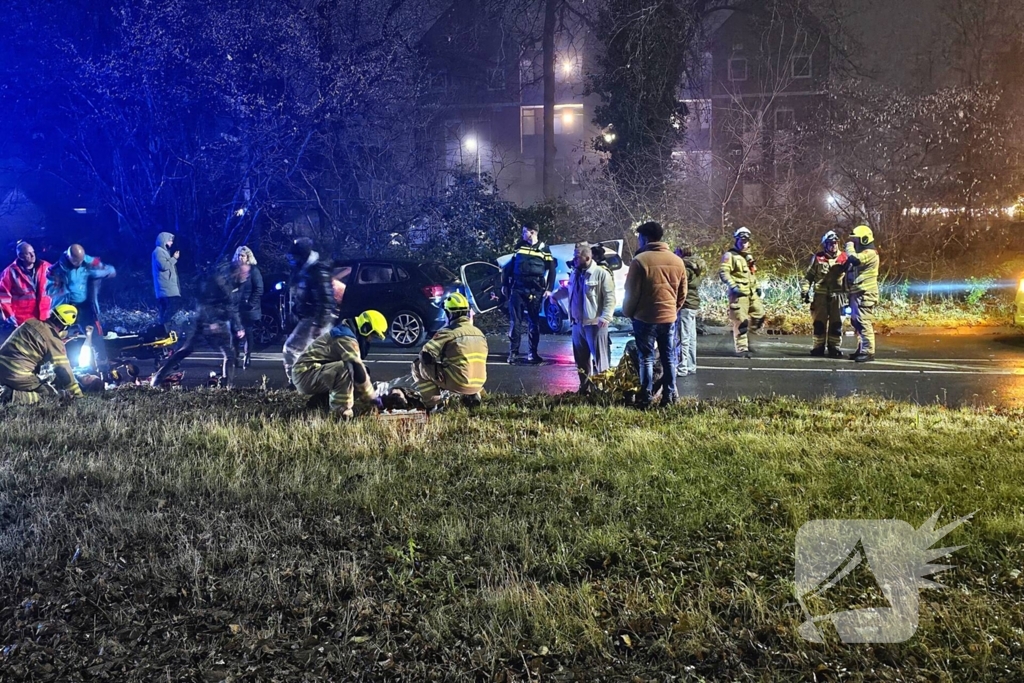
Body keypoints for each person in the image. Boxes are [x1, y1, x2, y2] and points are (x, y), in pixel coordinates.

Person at [150, 260, 249, 388]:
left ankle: (227, 386)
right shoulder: (218, 281)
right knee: (186, 350)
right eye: (244, 272)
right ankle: (158, 377)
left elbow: (233, 307)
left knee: (229, 355)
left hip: (220, 324)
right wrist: (211, 322)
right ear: (236, 271)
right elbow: (204, 303)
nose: (246, 276)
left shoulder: (238, 285)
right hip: (205, 324)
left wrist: (239, 327)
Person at [622, 221, 687, 408]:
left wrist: (629, 312)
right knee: (668, 357)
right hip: (669, 318)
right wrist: (673, 310)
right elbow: (682, 293)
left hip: (645, 318)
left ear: (645, 238)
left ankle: (646, 397)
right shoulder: (677, 261)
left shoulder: (640, 261)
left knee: (646, 358)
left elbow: (631, 293)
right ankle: (669, 397)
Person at [291, 310, 384, 418]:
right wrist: (372, 398)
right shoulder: (345, 337)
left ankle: (320, 403)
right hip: (305, 374)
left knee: (361, 371)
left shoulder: (346, 331)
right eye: (372, 335)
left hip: (312, 372)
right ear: (365, 328)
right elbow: (356, 366)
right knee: (347, 369)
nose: (370, 339)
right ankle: (341, 414)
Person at [410, 292, 488, 409]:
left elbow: (425, 355)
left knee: (417, 365)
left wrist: (435, 365)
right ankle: (473, 396)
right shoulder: (479, 333)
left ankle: (434, 404)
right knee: (469, 365)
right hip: (479, 383)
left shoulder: (449, 332)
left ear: (448, 314)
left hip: (458, 382)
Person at [0, 304, 83, 405]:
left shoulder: (31, 322)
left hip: (2, 367)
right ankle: (11, 396)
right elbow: (63, 369)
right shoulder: (53, 340)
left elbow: (46, 334)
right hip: (17, 375)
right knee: (50, 395)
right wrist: (78, 395)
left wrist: (66, 335)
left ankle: (8, 388)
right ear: (66, 326)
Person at [560, 242, 615, 393]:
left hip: (595, 324)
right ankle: (584, 389)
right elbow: (568, 290)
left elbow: (610, 297)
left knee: (600, 360)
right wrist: (554, 296)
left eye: (577, 258)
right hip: (577, 324)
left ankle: (603, 391)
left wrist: (606, 316)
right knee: (581, 361)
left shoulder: (601, 274)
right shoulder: (575, 273)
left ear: (587, 258)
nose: (574, 260)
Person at [282, 238, 335, 382]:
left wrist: (318, 324)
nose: (292, 260)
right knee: (313, 356)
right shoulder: (307, 270)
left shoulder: (316, 272)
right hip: (313, 318)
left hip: (315, 319)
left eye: (294, 257)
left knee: (291, 350)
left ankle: (296, 383)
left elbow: (326, 299)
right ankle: (312, 384)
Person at [502, 224, 556, 364]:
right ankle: (513, 353)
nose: (522, 234)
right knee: (516, 322)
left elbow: (552, 270)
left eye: (524, 232)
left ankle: (533, 353)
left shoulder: (544, 249)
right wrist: (504, 285)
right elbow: (510, 266)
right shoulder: (520, 246)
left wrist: (549, 288)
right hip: (518, 288)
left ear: (532, 233)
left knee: (534, 322)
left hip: (535, 289)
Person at [47, 244, 116, 335]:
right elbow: (51, 291)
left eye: (80, 260)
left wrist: (97, 273)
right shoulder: (56, 270)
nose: (79, 263)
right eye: (76, 261)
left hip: (85, 305)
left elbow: (109, 270)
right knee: (66, 335)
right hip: (67, 307)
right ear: (69, 256)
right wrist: (62, 291)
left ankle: (96, 347)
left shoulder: (87, 260)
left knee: (93, 333)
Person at [801, 230, 848, 358]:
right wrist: (805, 291)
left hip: (838, 297)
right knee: (819, 324)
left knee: (836, 324)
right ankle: (818, 347)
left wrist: (850, 294)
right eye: (831, 243)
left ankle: (834, 348)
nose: (834, 246)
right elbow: (808, 276)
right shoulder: (818, 258)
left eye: (835, 243)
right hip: (820, 296)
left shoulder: (844, 258)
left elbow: (850, 278)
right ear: (825, 245)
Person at [719, 227, 765, 357]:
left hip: (752, 293)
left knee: (759, 316)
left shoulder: (748, 257)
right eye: (741, 240)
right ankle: (742, 348)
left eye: (746, 241)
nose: (743, 243)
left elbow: (752, 274)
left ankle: (748, 337)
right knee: (741, 322)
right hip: (739, 295)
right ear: (737, 240)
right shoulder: (730, 256)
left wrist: (757, 286)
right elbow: (724, 272)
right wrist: (733, 286)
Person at [844, 225, 880, 362]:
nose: (854, 242)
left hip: (865, 294)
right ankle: (861, 349)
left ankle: (868, 351)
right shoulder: (863, 253)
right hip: (858, 293)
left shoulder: (869, 253)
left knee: (863, 322)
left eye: (856, 240)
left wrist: (849, 246)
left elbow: (855, 259)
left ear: (864, 240)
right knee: (856, 322)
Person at [0, 241, 52, 328]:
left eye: (33, 252)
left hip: (45, 314)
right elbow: (3, 296)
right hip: (24, 318)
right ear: (20, 256)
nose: (33, 255)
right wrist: (9, 314)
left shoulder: (46, 267)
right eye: (28, 253)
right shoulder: (10, 272)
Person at [675, 246, 706, 377]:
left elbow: (679, 285)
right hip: (693, 304)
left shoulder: (685, 268)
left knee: (683, 337)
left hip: (685, 304)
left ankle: (682, 368)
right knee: (692, 337)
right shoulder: (696, 267)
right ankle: (691, 365)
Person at [232, 246, 263, 369]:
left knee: (248, 332)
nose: (240, 258)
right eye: (239, 255)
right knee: (234, 333)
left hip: (248, 308)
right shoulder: (235, 270)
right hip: (236, 307)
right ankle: (235, 357)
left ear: (248, 257)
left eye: (243, 256)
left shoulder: (253, 271)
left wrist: (250, 303)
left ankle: (247, 356)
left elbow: (259, 288)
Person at [152, 232, 181, 328]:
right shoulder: (159, 251)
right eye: (170, 240)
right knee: (173, 305)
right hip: (166, 287)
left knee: (165, 308)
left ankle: (163, 328)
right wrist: (174, 258)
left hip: (166, 287)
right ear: (164, 240)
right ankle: (164, 326)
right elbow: (164, 266)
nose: (171, 242)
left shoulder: (162, 251)